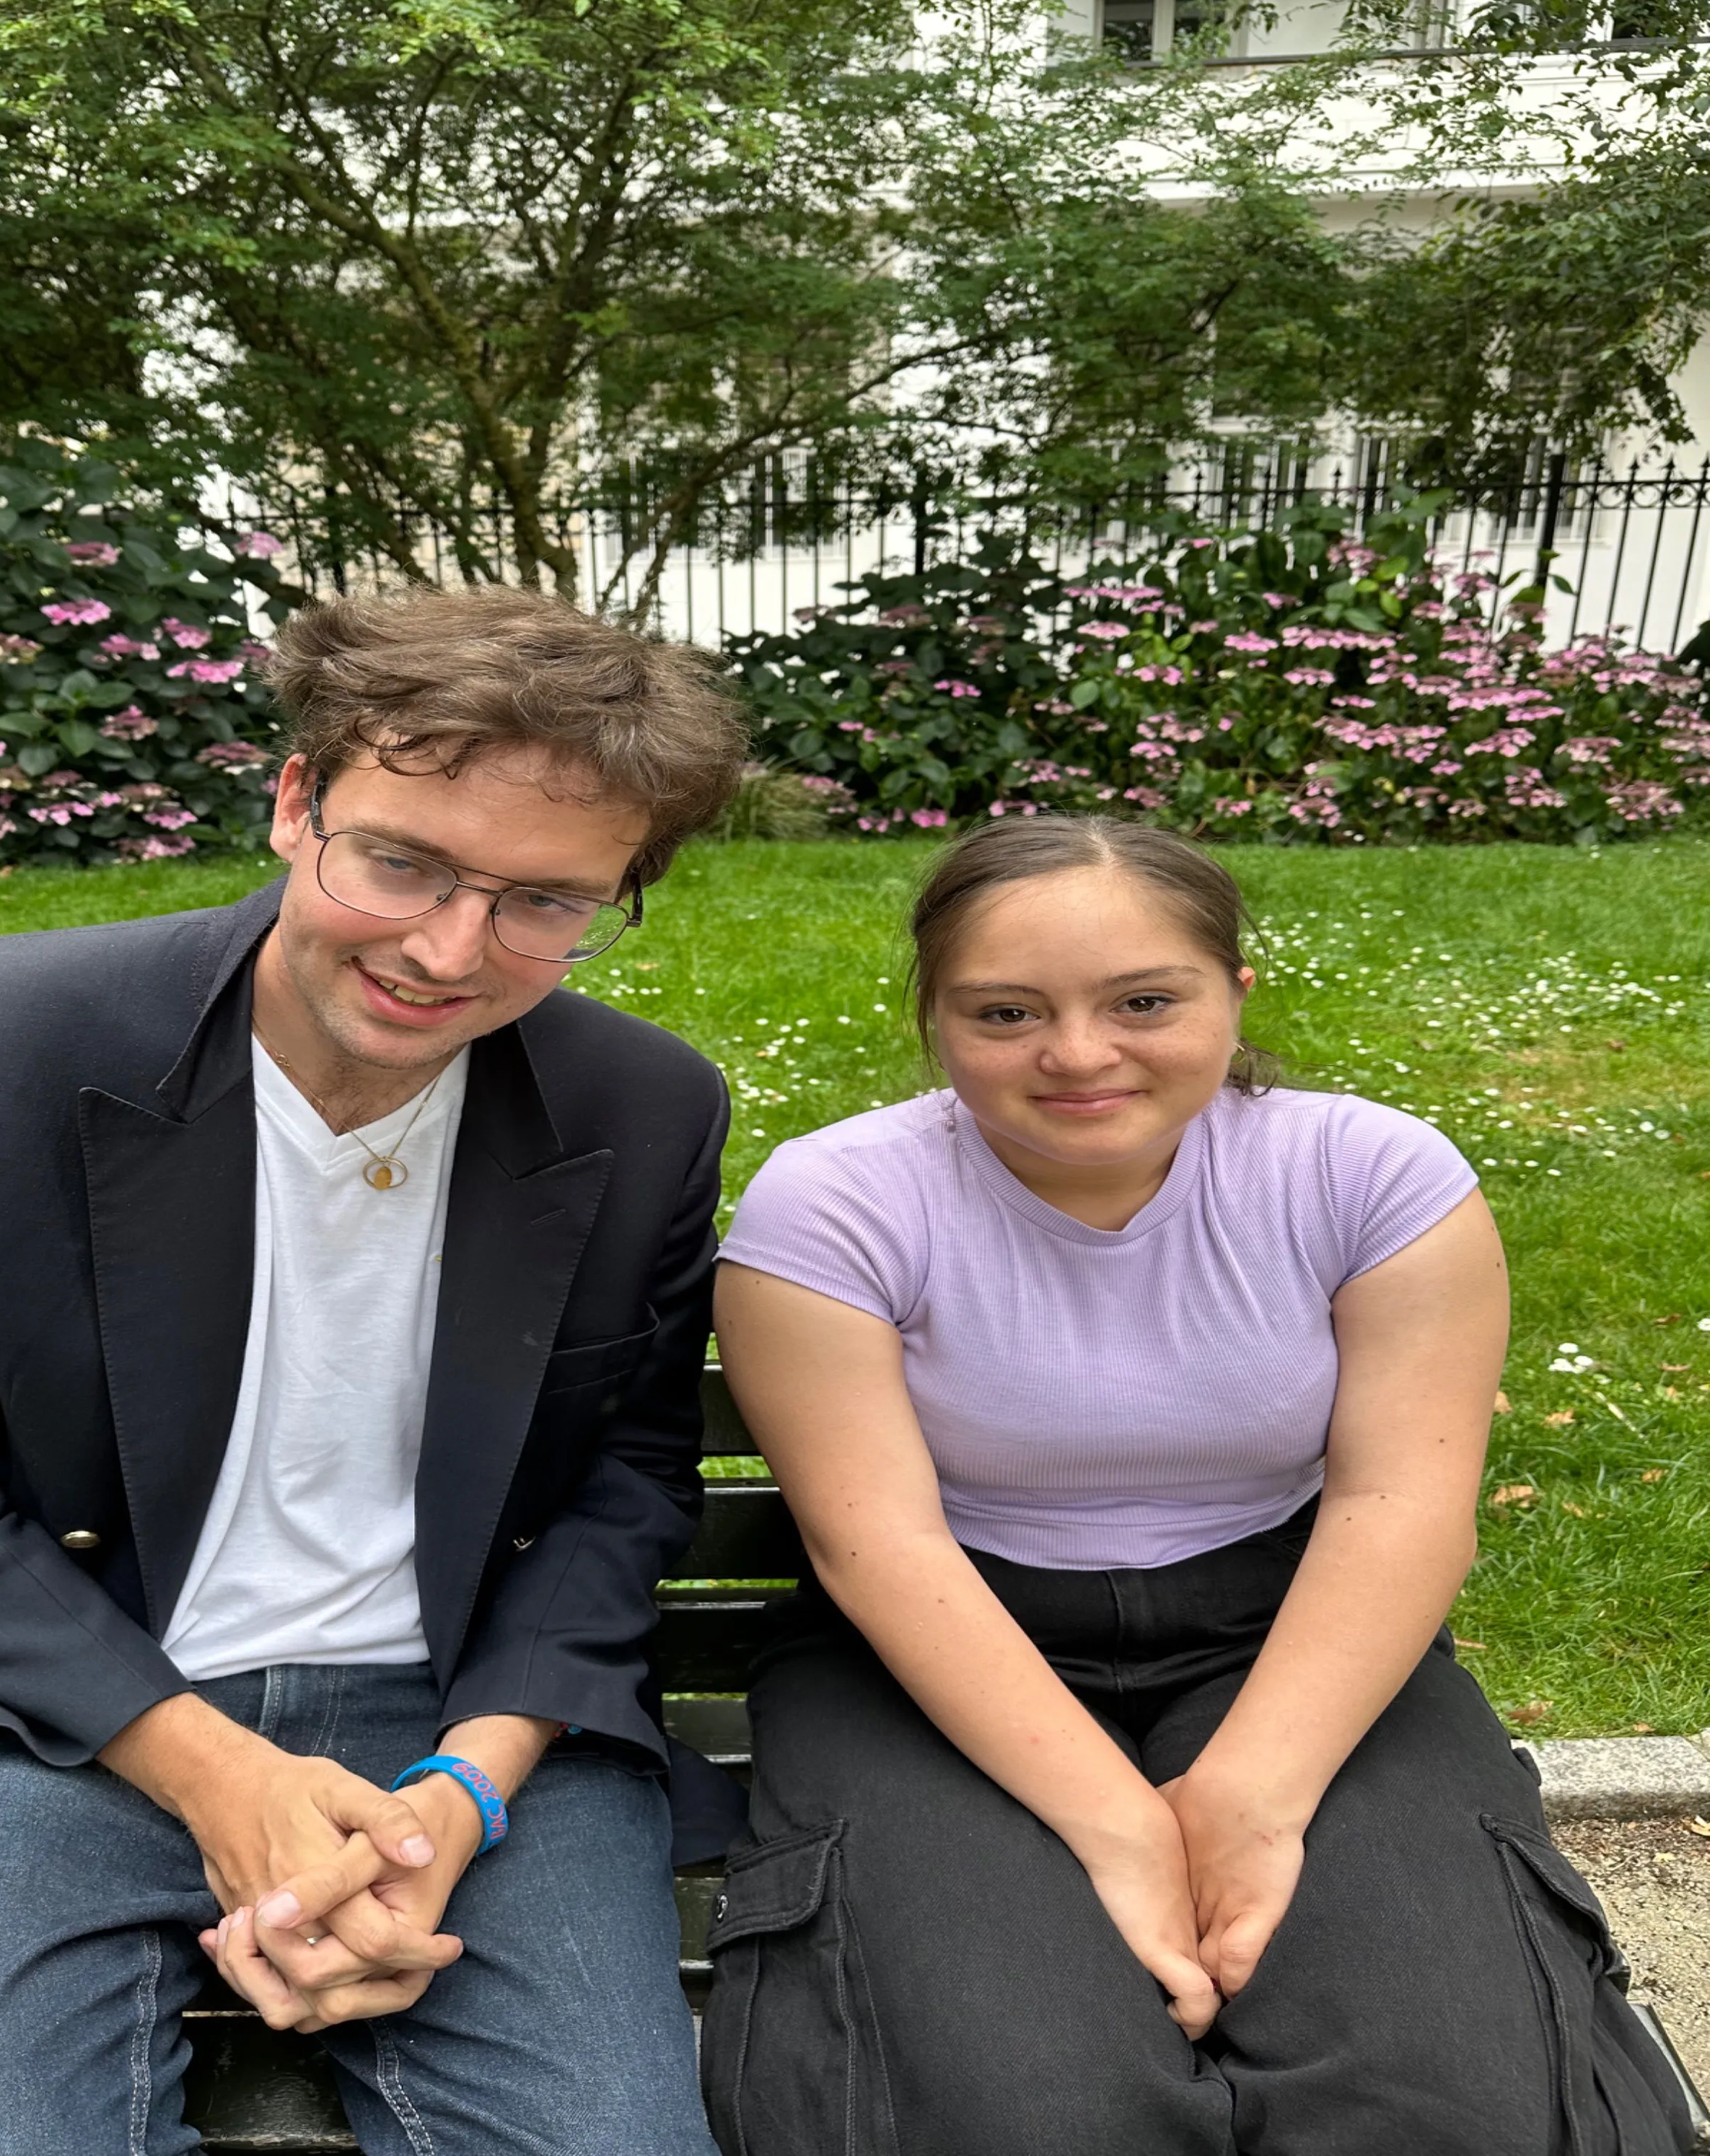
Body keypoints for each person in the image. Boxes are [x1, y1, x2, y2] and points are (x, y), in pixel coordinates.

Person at [0, 585, 747, 2156]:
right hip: (65, 1710)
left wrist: (468, 1791)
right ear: (295, 803)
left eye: (544, 900)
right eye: (399, 860)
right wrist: (215, 1773)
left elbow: (626, 1480)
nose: (447, 949)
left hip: (467, 1737)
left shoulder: (644, 1107)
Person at [703, 813, 1694, 2156]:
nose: (1078, 1054)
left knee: (1452, 2102)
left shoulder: (1368, 1178)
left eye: (1144, 1001)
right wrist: (1119, 1828)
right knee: (1014, 2109)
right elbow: (880, 1541)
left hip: (1284, 1633)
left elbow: (1399, 1502)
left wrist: (1251, 1799)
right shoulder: (834, 1207)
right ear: (933, 1018)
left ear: (1234, 990)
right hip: (929, 1656)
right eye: (1007, 1011)